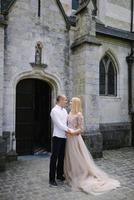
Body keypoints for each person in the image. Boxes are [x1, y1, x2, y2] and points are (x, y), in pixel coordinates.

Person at [64, 97, 120, 195]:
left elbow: (81, 129)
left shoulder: (79, 114)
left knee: (78, 156)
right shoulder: (70, 113)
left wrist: (72, 132)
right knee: (70, 156)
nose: (70, 102)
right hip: (68, 138)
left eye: (72, 101)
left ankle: (81, 174)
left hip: (75, 139)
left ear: (76, 103)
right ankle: (71, 173)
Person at [49, 95, 72, 186]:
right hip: (57, 136)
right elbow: (59, 124)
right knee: (54, 157)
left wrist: (68, 130)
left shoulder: (65, 111)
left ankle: (59, 175)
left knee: (62, 156)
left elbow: (66, 123)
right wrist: (69, 130)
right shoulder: (54, 110)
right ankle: (51, 178)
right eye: (65, 100)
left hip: (64, 136)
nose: (66, 101)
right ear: (60, 100)